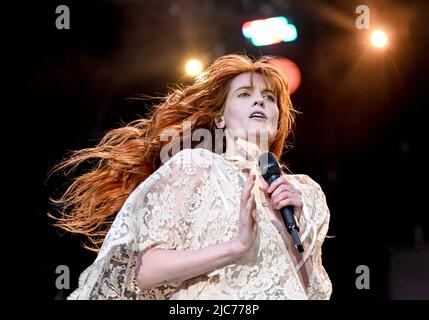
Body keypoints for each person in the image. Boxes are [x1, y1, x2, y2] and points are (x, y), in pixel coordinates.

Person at [50, 53, 332, 300]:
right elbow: (146, 272)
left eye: (268, 98)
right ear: (220, 118)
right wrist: (236, 247)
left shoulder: (305, 194)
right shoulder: (196, 167)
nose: (259, 100)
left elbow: (314, 291)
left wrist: (296, 229)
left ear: (278, 118)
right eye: (244, 94)